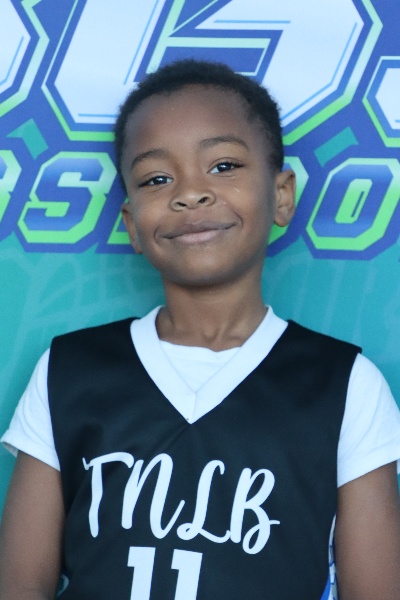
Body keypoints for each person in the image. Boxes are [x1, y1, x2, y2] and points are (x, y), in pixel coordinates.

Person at [1, 59, 400, 600]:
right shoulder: (68, 371)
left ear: (282, 195)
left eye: (223, 165)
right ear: (131, 224)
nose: (190, 193)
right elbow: (20, 586)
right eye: (156, 179)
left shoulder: (346, 384)